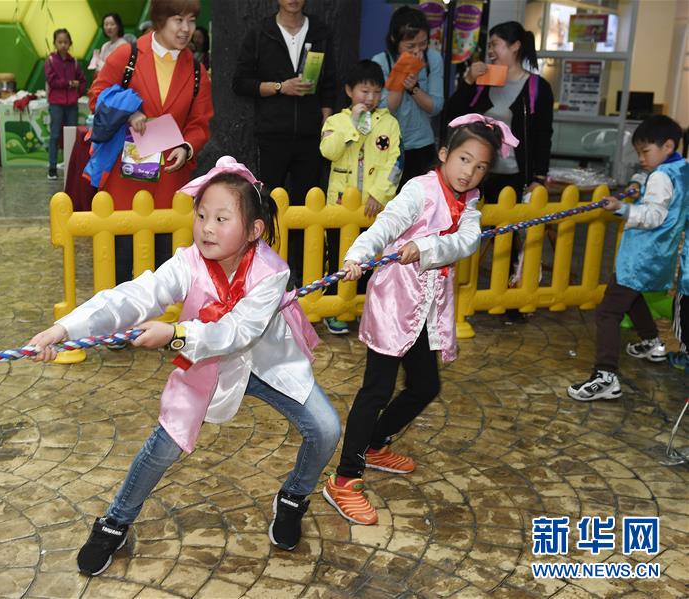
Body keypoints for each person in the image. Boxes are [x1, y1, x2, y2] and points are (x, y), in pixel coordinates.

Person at [28, 157, 340, 576]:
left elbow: (239, 332)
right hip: (209, 367)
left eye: (221, 219)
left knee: (325, 428)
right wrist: (64, 330)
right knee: (164, 446)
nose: (207, 227)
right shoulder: (188, 262)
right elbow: (137, 295)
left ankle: (293, 498)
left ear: (254, 230)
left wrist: (175, 335)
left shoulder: (272, 272)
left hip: (268, 362)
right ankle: (116, 522)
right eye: (202, 215)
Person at [322, 115, 514, 525]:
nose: (470, 172)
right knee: (376, 390)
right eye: (464, 159)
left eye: (480, 166)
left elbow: (466, 241)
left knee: (426, 385)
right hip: (395, 302)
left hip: (427, 310)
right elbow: (388, 223)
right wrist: (358, 255)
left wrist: (424, 247)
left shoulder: (471, 203)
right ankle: (344, 478)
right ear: (444, 154)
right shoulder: (419, 189)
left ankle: (374, 444)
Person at [88, 0, 213, 287]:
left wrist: (187, 147)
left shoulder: (196, 71)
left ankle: (157, 328)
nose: (186, 29)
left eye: (191, 21)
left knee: (164, 267)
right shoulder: (127, 56)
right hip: (124, 179)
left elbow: (200, 123)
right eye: (178, 20)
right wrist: (128, 112)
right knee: (120, 263)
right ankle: (117, 326)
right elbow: (97, 96)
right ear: (159, 20)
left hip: (170, 181)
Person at [567, 115, 689, 401]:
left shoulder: (661, 176)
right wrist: (638, 183)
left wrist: (622, 208)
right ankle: (652, 343)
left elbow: (653, 215)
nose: (642, 159)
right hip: (660, 254)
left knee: (609, 311)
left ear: (667, 146)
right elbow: (658, 193)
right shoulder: (681, 169)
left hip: (641, 255)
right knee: (631, 298)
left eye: (645, 152)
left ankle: (605, 375)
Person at [232, 0, 337, 288]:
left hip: (310, 136)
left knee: (308, 204)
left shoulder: (320, 31)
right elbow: (240, 82)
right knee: (270, 206)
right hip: (272, 134)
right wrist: (281, 87)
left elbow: (329, 83)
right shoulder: (260, 32)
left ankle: (306, 276)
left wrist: (324, 125)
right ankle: (267, 274)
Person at [319, 59, 401, 335]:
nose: (370, 98)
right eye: (364, 91)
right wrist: (352, 123)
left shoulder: (389, 123)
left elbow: (395, 163)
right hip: (340, 206)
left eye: (376, 92)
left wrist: (380, 194)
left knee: (372, 260)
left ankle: (367, 309)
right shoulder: (336, 121)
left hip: (373, 208)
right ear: (349, 91)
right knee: (339, 259)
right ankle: (336, 310)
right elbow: (328, 151)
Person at [446, 21, 553, 205]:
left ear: (515, 46)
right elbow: (452, 114)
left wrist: (539, 178)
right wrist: (469, 80)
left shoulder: (538, 87)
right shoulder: (483, 81)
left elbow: (543, 135)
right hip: (477, 172)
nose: (490, 51)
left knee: (507, 231)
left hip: (515, 175)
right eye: (489, 45)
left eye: (495, 44)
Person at [373, 5, 444, 187]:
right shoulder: (381, 62)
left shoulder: (433, 59)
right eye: (410, 46)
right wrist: (402, 73)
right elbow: (386, 109)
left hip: (423, 146)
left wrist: (414, 88)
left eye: (423, 44)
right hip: (389, 146)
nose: (417, 51)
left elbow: (435, 106)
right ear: (394, 40)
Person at [45, 28, 87, 181]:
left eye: (66, 42)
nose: (63, 45)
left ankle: (71, 167)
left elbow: (82, 81)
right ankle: (52, 167)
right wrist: (69, 83)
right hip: (56, 103)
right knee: (55, 135)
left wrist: (77, 92)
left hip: (72, 104)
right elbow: (52, 81)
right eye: (60, 42)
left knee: (72, 136)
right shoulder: (50, 60)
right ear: (54, 43)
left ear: (70, 43)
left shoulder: (74, 62)